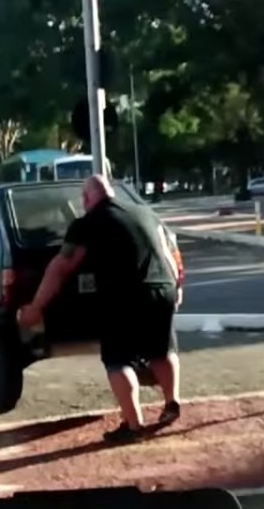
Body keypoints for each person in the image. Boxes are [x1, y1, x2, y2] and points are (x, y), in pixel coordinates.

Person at [17, 175, 184, 443]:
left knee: (118, 361)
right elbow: (168, 252)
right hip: (163, 288)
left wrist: (37, 306)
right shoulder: (144, 212)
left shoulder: (88, 223)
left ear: (86, 198)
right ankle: (172, 402)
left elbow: (63, 266)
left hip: (125, 296)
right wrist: (177, 286)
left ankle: (133, 425)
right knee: (162, 349)